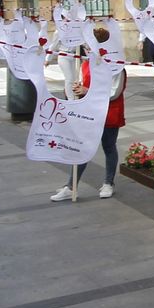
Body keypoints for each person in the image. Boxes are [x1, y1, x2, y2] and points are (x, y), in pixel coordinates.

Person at [50, 26, 126, 202]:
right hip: (89, 113)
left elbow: (115, 92)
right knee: (82, 147)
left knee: (108, 146)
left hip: (108, 112)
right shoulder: (85, 64)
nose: (86, 49)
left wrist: (87, 90)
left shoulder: (116, 66)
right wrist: (77, 89)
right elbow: (83, 84)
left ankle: (108, 182)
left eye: (89, 46)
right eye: (85, 46)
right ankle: (70, 186)